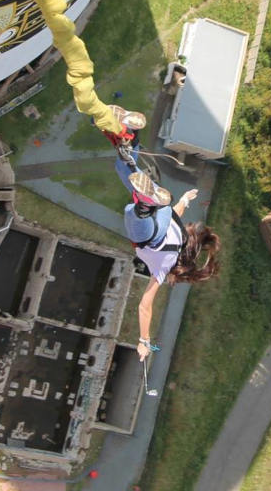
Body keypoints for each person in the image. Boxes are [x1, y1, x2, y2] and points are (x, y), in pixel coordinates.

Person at [107, 105, 220, 361]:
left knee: (124, 169)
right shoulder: (162, 269)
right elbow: (145, 306)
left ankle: (130, 137)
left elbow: (176, 213)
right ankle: (144, 204)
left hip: (166, 210)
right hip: (149, 233)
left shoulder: (180, 238)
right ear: (179, 272)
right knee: (135, 217)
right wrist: (143, 341)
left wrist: (185, 199)